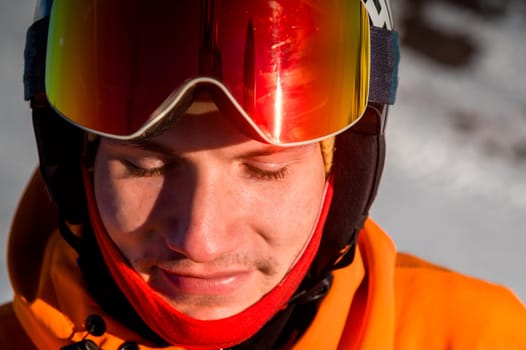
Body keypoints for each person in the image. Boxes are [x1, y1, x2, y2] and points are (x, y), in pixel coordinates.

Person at [1, 0, 525, 349]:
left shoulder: (481, 337)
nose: (201, 241)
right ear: (77, 166)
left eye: (266, 170)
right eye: (146, 166)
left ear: (341, 170)